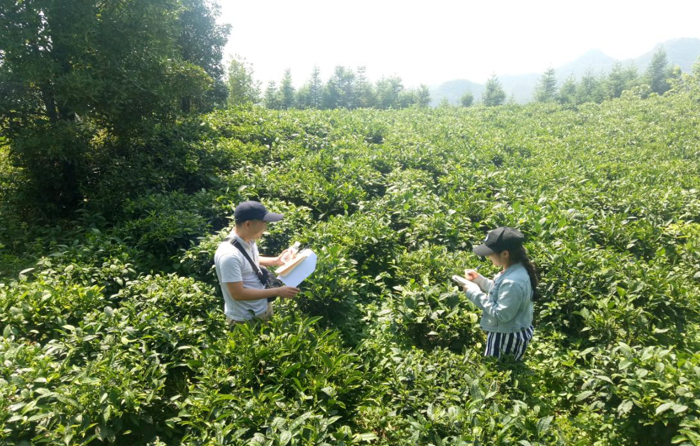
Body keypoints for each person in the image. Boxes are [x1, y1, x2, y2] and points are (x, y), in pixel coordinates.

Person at [214, 201, 300, 325]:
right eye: (263, 224)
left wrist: (276, 261)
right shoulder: (229, 255)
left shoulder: (248, 239)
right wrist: (278, 291)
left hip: (262, 306)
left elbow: (248, 261)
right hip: (245, 318)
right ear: (248, 224)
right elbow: (238, 294)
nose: (265, 229)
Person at [460, 227, 538, 361]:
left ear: (505, 254)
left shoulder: (512, 281)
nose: (488, 256)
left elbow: (502, 314)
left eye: (490, 253)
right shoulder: (516, 269)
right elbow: (501, 292)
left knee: (497, 374)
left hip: (506, 336)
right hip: (512, 331)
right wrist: (479, 280)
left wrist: (474, 293)